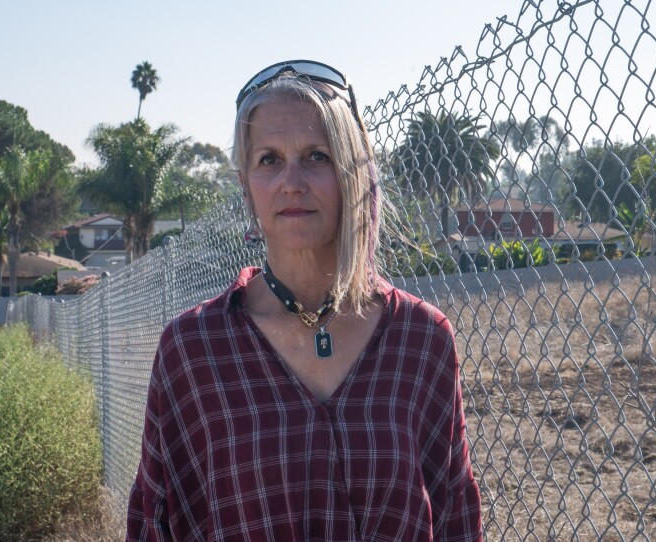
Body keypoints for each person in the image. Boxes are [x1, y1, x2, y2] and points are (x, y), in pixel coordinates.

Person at [126, 59, 482, 541]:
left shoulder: (422, 340)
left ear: (354, 174)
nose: (292, 181)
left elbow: (455, 515)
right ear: (246, 187)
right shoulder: (192, 351)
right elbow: (155, 520)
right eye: (269, 159)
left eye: (317, 155)